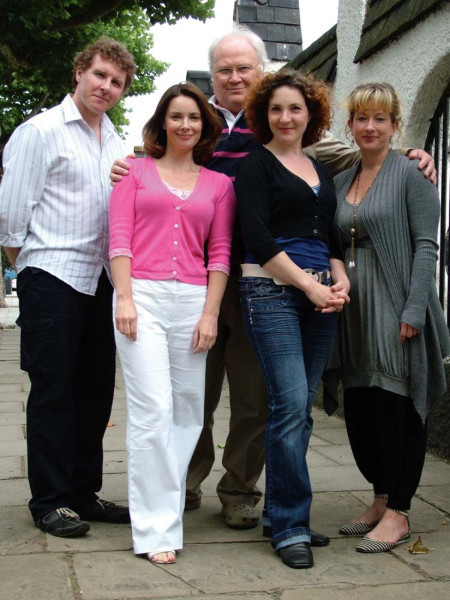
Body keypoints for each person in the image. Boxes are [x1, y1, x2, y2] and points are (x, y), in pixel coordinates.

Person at [110, 27, 436, 536]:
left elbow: (360, 155)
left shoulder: (290, 130)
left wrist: (414, 152)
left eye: (244, 68)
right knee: (189, 390)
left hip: (264, 284)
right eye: (224, 69)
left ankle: (240, 491)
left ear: (260, 72)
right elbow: (159, 166)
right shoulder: (197, 118)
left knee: (255, 399)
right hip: (198, 282)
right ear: (212, 75)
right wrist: (127, 164)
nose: (234, 77)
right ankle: (182, 482)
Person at [0, 37, 135, 537]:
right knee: (54, 393)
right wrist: (34, 270)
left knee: (95, 394)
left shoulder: (116, 141)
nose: (106, 86)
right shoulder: (39, 132)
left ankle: (83, 493)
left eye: (116, 82)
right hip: (52, 279)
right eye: (99, 75)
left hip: (101, 281)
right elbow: (11, 218)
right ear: (80, 72)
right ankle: (50, 501)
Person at [108, 82, 235, 565]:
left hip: (194, 302)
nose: (186, 125)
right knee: (152, 411)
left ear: (205, 126)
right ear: (163, 121)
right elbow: (118, 238)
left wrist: (210, 313)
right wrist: (125, 298)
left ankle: (166, 509)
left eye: (195, 118)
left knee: (188, 413)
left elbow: (220, 253)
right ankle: (155, 528)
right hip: (141, 295)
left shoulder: (219, 185)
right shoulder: (134, 173)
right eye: (177, 116)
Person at [236, 69, 350, 569]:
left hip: (322, 293)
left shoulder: (320, 169)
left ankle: (281, 514)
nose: (286, 117)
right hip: (272, 290)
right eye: (277, 109)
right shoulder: (255, 165)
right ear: (265, 115)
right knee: (288, 405)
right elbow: (258, 238)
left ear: (311, 116)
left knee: (300, 409)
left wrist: (339, 279)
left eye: (295, 109)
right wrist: (308, 284)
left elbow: (333, 235)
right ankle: (290, 527)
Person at [331, 83, 449, 553]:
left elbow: (427, 245)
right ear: (351, 125)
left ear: (395, 125)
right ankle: (379, 499)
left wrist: (414, 308)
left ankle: (399, 512)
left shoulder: (412, 173)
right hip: (355, 309)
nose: (370, 127)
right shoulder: (342, 180)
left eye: (380, 119)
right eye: (362, 118)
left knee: (399, 406)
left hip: (398, 304)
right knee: (363, 406)